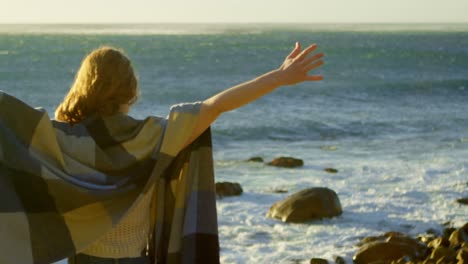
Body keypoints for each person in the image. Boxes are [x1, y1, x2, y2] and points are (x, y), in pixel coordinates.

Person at [55, 42, 323, 264]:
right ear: (131, 89)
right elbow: (215, 106)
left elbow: (15, 133)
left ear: (84, 86)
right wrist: (278, 76)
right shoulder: (151, 136)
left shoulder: (64, 138)